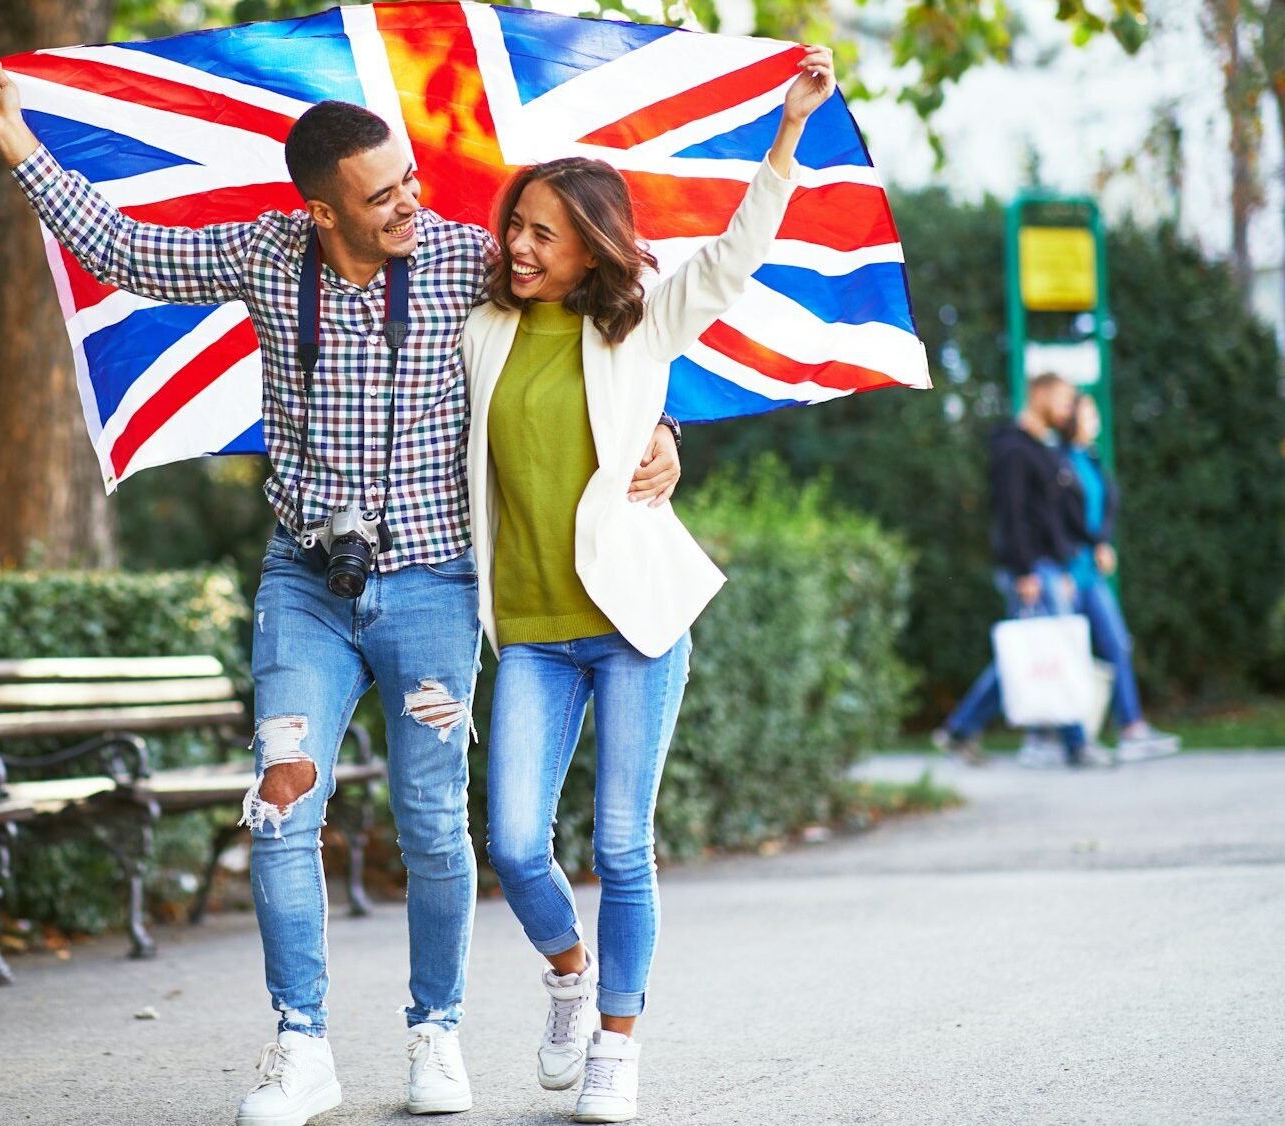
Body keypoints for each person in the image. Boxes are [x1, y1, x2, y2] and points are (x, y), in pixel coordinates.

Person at [0, 64, 684, 1126]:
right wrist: (15, 140)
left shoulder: (458, 260)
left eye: (408, 180)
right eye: (382, 193)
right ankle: (300, 1044)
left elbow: (604, 321)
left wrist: (667, 437)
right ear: (322, 208)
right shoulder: (265, 253)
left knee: (436, 825)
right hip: (305, 584)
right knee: (279, 801)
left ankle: (433, 1030)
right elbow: (120, 251)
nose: (409, 202)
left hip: (435, 585)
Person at [463, 46, 836, 1124]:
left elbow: (729, 260)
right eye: (514, 226)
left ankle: (616, 1047)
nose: (517, 244)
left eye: (540, 230)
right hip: (529, 629)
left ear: (587, 244)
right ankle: (569, 975)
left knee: (621, 841)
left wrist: (785, 135)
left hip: (633, 622)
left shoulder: (637, 321)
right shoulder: (481, 330)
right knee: (516, 844)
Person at [931, 373, 1105, 769]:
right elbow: (1012, 514)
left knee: (1026, 652)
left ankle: (960, 728)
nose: (1067, 410)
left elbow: (1054, 516)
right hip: (1030, 568)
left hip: (1048, 565)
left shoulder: (1046, 449)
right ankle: (1077, 744)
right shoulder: (1013, 448)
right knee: (1055, 647)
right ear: (1039, 394)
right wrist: (1025, 571)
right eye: (1062, 400)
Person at [1060, 393, 1180, 762]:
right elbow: (1057, 518)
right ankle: (1048, 736)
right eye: (1089, 412)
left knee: (1117, 643)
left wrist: (1103, 543)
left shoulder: (1092, 460)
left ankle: (1131, 726)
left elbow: (1102, 512)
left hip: (1092, 573)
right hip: (1066, 571)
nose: (1095, 419)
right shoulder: (1057, 461)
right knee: (1058, 652)